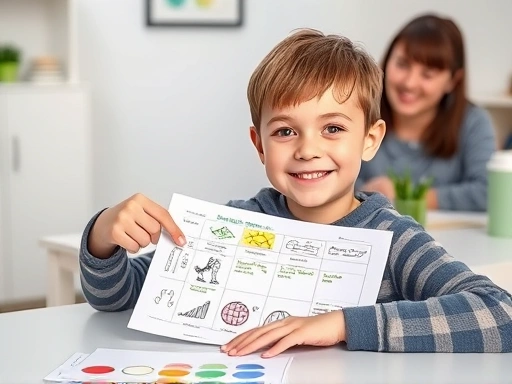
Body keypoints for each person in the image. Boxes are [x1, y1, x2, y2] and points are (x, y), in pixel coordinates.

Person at [79, 29, 512, 356]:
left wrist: (342, 324)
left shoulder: (394, 239)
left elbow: (501, 315)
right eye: (285, 131)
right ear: (259, 144)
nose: (308, 149)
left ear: (370, 139)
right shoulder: (237, 225)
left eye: (333, 128)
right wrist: (102, 236)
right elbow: (116, 298)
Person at [357, 14, 496, 212]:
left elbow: (490, 193)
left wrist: (406, 195)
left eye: (428, 74)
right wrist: (364, 190)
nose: (409, 83)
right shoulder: (360, 112)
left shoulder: (473, 122)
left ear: (453, 81)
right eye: (402, 64)